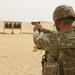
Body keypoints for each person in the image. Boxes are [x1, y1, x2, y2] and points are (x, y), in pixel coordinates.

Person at [33, 5, 75, 75]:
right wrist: (43, 30)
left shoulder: (51, 39)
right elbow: (61, 34)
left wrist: (36, 31)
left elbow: (37, 41)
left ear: (58, 21)